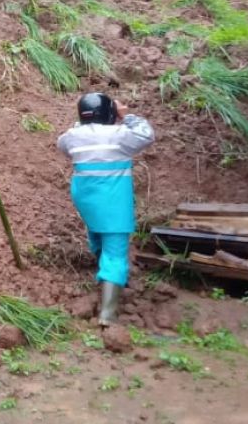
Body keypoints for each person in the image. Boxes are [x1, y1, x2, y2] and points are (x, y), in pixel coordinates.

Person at [57, 92, 155, 326]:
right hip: (112, 201)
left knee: (97, 234)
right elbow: (147, 135)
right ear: (110, 114)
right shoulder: (120, 135)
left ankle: (105, 276)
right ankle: (108, 314)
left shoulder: (71, 136)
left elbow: (63, 145)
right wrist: (126, 115)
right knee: (115, 252)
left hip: (86, 200)